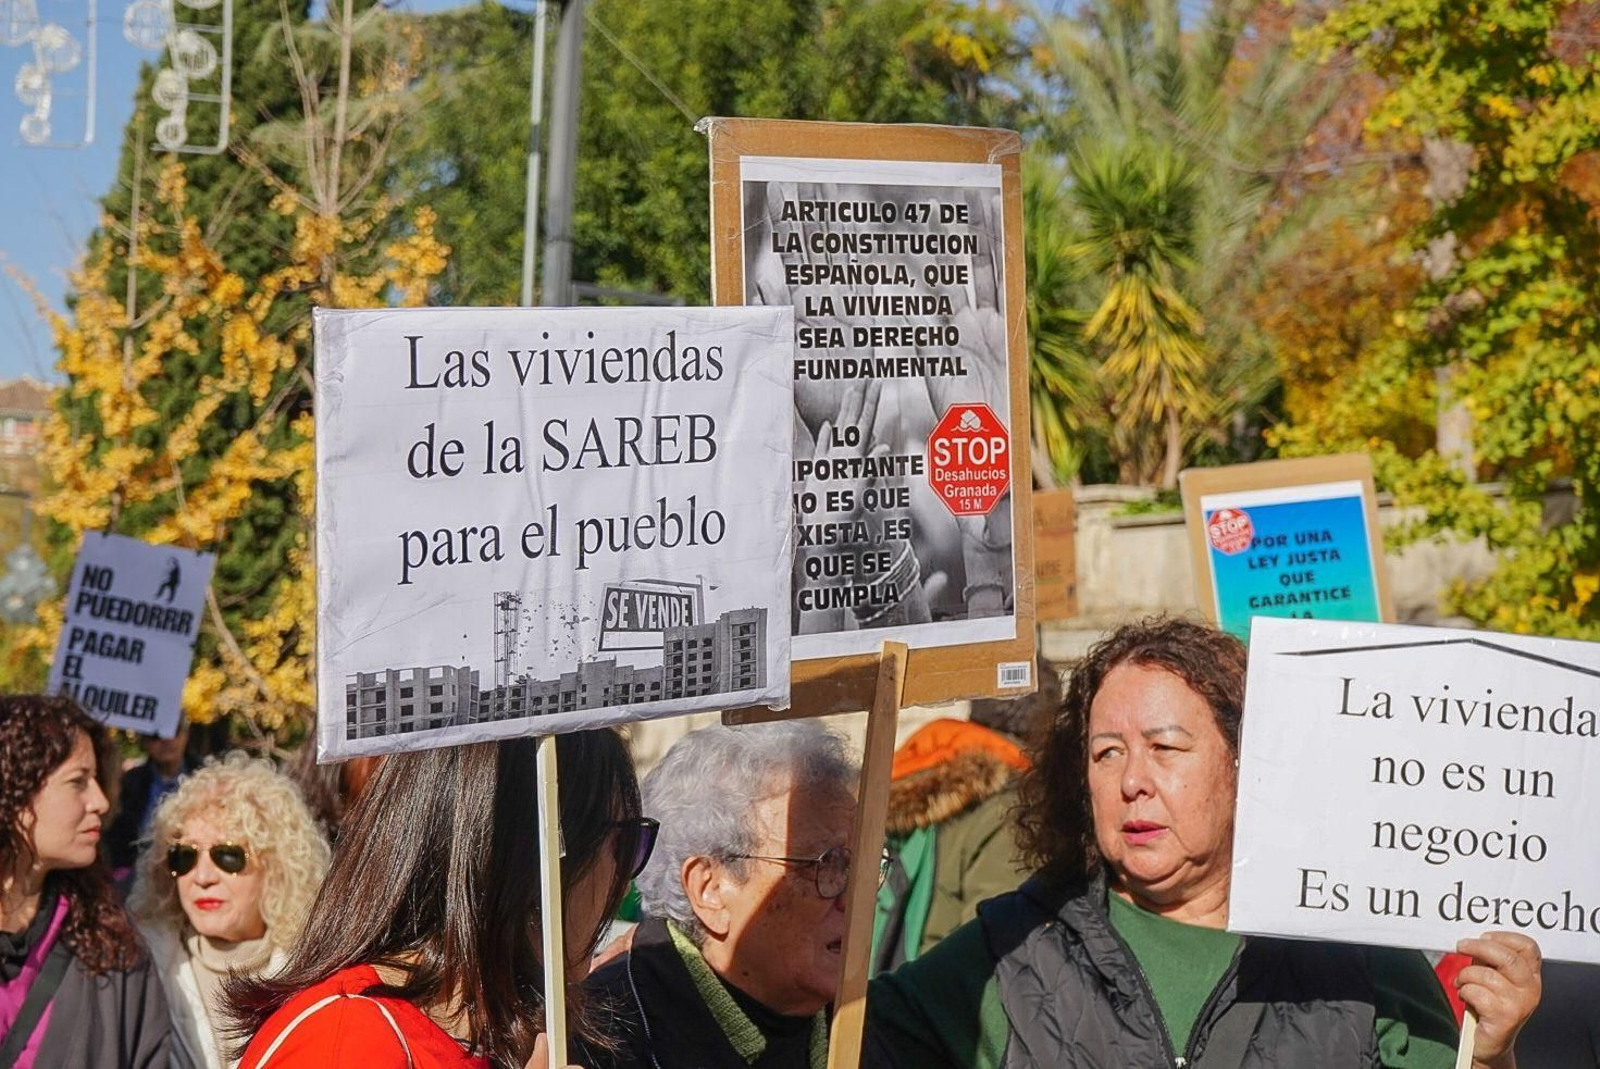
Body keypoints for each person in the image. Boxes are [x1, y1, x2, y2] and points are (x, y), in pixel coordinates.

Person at [866, 617, 1544, 1069]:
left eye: (1166, 747)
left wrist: (1488, 1055)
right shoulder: (1006, 950)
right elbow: (829, 1040)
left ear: (1247, 763)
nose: (1133, 779)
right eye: (1105, 753)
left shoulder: (1352, 949)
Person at [227, 728, 650, 1069]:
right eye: (627, 841)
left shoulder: (497, 1032)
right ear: (531, 859)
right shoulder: (345, 1039)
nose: (627, 877)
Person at [586, 722, 863, 1069]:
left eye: (863, 864)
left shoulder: (867, 1021)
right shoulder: (603, 1041)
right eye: (824, 865)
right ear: (710, 889)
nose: (855, 899)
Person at [128, 752, 331, 1068]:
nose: (203, 877)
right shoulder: (138, 968)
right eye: (184, 857)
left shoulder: (317, 976)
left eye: (228, 856)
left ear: (275, 868)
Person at [0, 694, 170, 1066]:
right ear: (15, 792)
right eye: (78, 781)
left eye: (97, 779)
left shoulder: (110, 941)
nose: (100, 801)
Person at [873, 656, 1060, 973]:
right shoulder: (1013, 806)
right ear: (1049, 728)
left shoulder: (912, 771)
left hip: (884, 993)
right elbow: (1001, 947)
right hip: (945, 1008)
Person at [105, 719, 199, 877]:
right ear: (145, 741)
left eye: (173, 732)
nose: (166, 741)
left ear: (186, 735)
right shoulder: (128, 783)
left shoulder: (206, 779)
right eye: (156, 735)